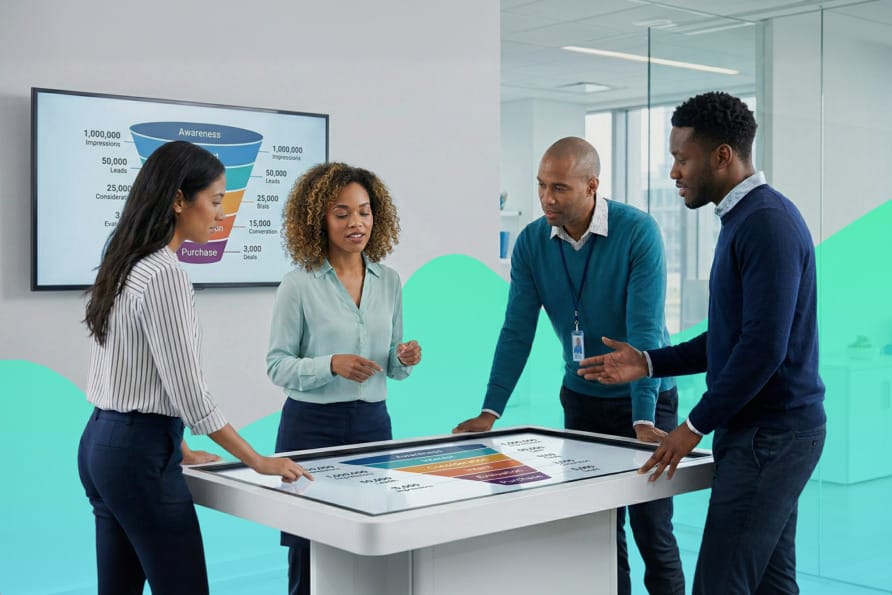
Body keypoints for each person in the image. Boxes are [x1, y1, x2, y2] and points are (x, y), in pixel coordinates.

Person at [579, 92, 826, 595]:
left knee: (720, 585)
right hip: (764, 434)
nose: (673, 172)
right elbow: (731, 338)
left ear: (722, 156)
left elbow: (762, 349)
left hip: (772, 437)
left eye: (681, 158)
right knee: (771, 586)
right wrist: (647, 361)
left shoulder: (766, 223)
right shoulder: (744, 220)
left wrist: (691, 427)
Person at [78, 140, 312, 595]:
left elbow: (137, 373)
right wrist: (258, 460)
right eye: (217, 200)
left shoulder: (125, 263)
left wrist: (177, 447)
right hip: (136, 455)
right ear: (179, 200)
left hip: (101, 445)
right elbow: (190, 394)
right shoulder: (166, 273)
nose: (223, 213)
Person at [453, 137, 685, 595]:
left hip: (648, 400)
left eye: (559, 188)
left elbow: (645, 332)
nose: (546, 199)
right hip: (583, 401)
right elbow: (516, 330)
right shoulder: (532, 243)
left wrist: (641, 418)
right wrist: (490, 411)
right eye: (541, 186)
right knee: (597, 530)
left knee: (651, 529)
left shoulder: (637, 232)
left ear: (592, 186)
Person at [267, 161, 421, 595]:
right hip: (310, 429)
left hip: (373, 425)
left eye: (365, 211)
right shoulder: (297, 285)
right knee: (309, 549)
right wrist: (330, 363)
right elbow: (277, 364)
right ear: (319, 219)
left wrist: (403, 356)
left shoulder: (389, 281)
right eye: (342, 213)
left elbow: (392, 365)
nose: (357, 222)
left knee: (370, 543)